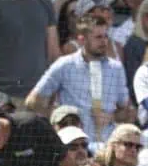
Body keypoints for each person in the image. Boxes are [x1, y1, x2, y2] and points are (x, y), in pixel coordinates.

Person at [25, 16, 133, 146]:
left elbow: (125, 111)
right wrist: (58, 118)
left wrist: (112, 117)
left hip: (106, 144)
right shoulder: (64, 65)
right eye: (98, 37)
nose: (104, 42)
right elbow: (32, 102)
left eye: (105, 36)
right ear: (82, 40)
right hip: (74, 144)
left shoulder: (116, 68)